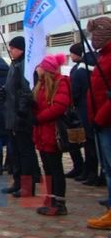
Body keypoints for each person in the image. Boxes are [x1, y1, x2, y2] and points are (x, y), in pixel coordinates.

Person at [31, 53, 71, 216]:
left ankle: (59, 203)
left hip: (52, 131)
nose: (37, 68)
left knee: (55, 168)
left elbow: (59, 107)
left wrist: (38, 118)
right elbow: (37, 105)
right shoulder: (40, 85)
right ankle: (50, 200)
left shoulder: (60, 83)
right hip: (41, 132)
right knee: (47, 168)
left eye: (40, 65)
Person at [1, 36, 40, 198]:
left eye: (13, 48)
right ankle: (17, 182)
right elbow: (13, 88)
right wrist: (4, 92)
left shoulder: (24, 65)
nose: (10, 51)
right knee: (15, 152)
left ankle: (27, 186)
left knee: (25, 153)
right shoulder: (14, 64)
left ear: (21, 49)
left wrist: (22, 111)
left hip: (21, 117)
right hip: (11, 115)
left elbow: (26, 91)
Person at [86, 16, 111, 230]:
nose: (92, 39)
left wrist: (99, 117)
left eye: (95, 35)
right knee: (108, 168)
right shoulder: (103, 56)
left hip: (106, 120)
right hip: (100, 119)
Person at [69, 42, 97, 183]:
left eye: (72, 53)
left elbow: (75, 92)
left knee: (88, 142)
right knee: (90, 143)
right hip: (93, 109)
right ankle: (89, 171)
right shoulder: (95, 65)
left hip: (83, 109)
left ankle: (90, 172)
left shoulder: (80, 70)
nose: (70, 55)